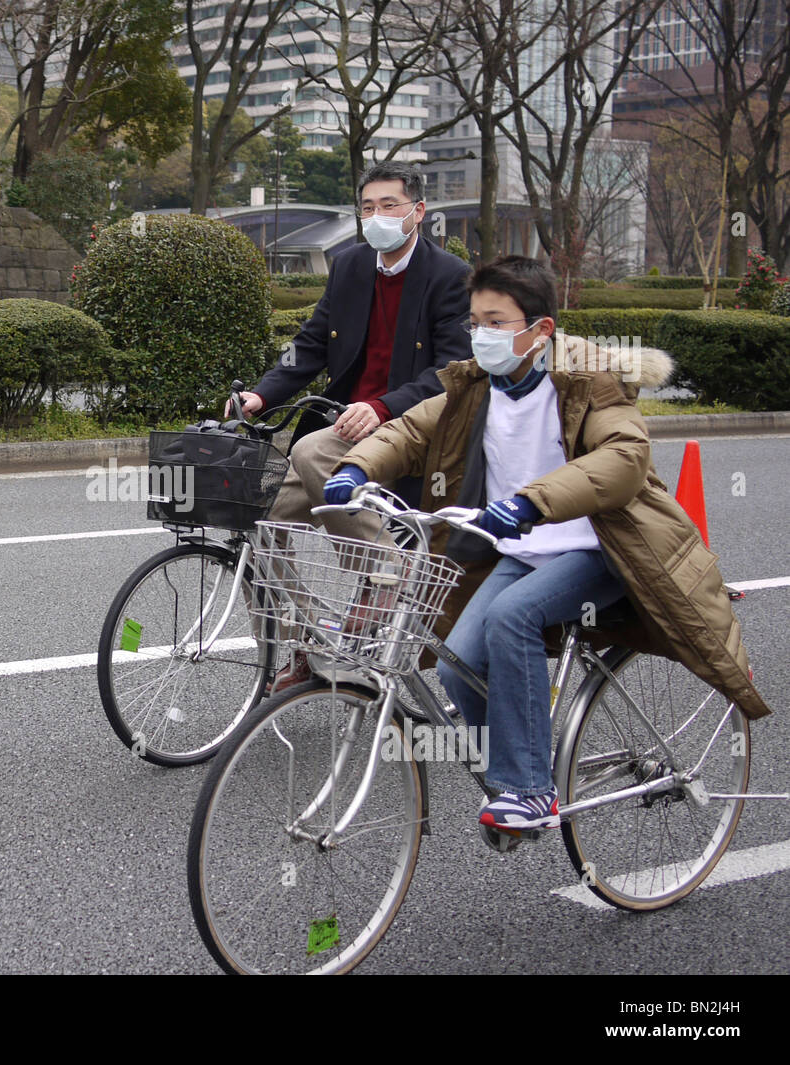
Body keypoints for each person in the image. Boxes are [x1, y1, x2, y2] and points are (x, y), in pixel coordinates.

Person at [322, 255, 771, 834]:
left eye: (497, 323)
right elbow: (410, 431)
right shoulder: (474, 387)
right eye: (475, 323)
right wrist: (356, 469)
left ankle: (531, 790)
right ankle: (510, 777)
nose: (482, 336)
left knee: (513, 616)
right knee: (457, 664)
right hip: (522, 551)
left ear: (541, 331)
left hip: (598, 545)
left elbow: (624, 458)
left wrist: (531, 503)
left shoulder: (589, 382)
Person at [229, 161, 473, 693]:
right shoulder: (350, 265)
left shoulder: (449, 276)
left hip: (408, 432)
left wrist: (384, 407)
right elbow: (311, 343)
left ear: (418, 211)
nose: (377, 216)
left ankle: (387, 570)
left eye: (389, 205)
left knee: (312, 450)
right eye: (367, 207)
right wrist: (261, 394)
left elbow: (451, 371)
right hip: (347, 425)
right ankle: (306, 646)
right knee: (254, 517)